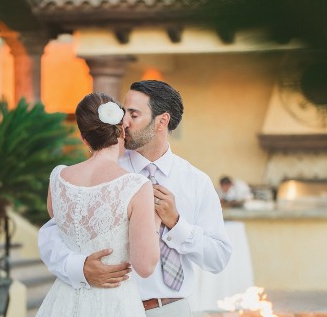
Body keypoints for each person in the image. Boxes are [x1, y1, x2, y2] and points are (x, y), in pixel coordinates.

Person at [38, 80, 232, 317]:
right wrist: (79, 267)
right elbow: (53, 234)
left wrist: (177, 224)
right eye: (123, 112)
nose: (124, 122)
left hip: (171, 309)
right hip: (110, 307)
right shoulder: (105, 173)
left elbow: (219, 258)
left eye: (134, 114)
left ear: (162, 121)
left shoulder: (196, 182)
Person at [35, 93, 160, 317]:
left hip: (65, 298)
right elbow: (145, 266)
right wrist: (155, 222)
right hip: (114, 302)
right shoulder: (137, 186)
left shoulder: (58, 178)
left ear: (84, 138)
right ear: (122, 129)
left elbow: (58, 230)